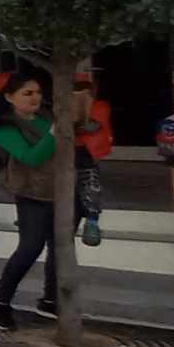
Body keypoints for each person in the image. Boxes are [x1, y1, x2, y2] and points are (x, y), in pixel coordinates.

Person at [0, 70, 60, 331]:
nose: (35, 98)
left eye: (38, 92)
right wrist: (56, 132)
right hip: (31, 193)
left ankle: (51, 299)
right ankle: (0, 304)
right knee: (30, 247)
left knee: (60, 248)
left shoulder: (46, 118)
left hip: (62, 190)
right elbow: (31, 157)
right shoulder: (5, 129)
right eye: (27, 93)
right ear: (10, 97)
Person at [73, 75, 112, 248]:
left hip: (86, 154)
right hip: (63, 153)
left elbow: (91, 126)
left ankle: (92, 221)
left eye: (86, 93)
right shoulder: (61, 107)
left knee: (91, 184)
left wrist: (74, 120)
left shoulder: (100, 106)